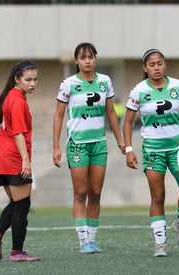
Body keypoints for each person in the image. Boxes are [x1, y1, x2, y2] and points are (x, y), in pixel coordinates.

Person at [123, 49, 179, 257]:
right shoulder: (138, 91)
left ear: (165, 64)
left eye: (159, 63)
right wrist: (129, 150)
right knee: (157, 195)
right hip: (153, 149)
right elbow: (126, 122)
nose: (156, 67)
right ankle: (160, 243)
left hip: (178, 147)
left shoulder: (178, 86)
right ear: (145, 68)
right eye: (152, 65)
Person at [53, 42, 125, 254]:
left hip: (99, 143)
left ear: (95, 59)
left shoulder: (105, 81)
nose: (87, 61)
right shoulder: (68, 84)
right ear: (76, 60)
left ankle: (92, 239)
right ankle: (83, 240)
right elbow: (58, 115)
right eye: (83, 57)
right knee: (81, 192)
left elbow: (111, 112)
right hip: (77, 144)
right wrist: (55, 146)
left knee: (95, 192)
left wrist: (120, 139)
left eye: (91, 57)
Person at [0, 60, 40, 262]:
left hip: (2, 159)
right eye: (28, 80)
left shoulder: (7, 97)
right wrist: (25, 161)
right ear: (16, 79)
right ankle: (17, 252)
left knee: (17, 203)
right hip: (14, 159)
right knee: (23, 205)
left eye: (35, 79)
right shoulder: (17, 100)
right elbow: (18, 133)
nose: (33, 83)